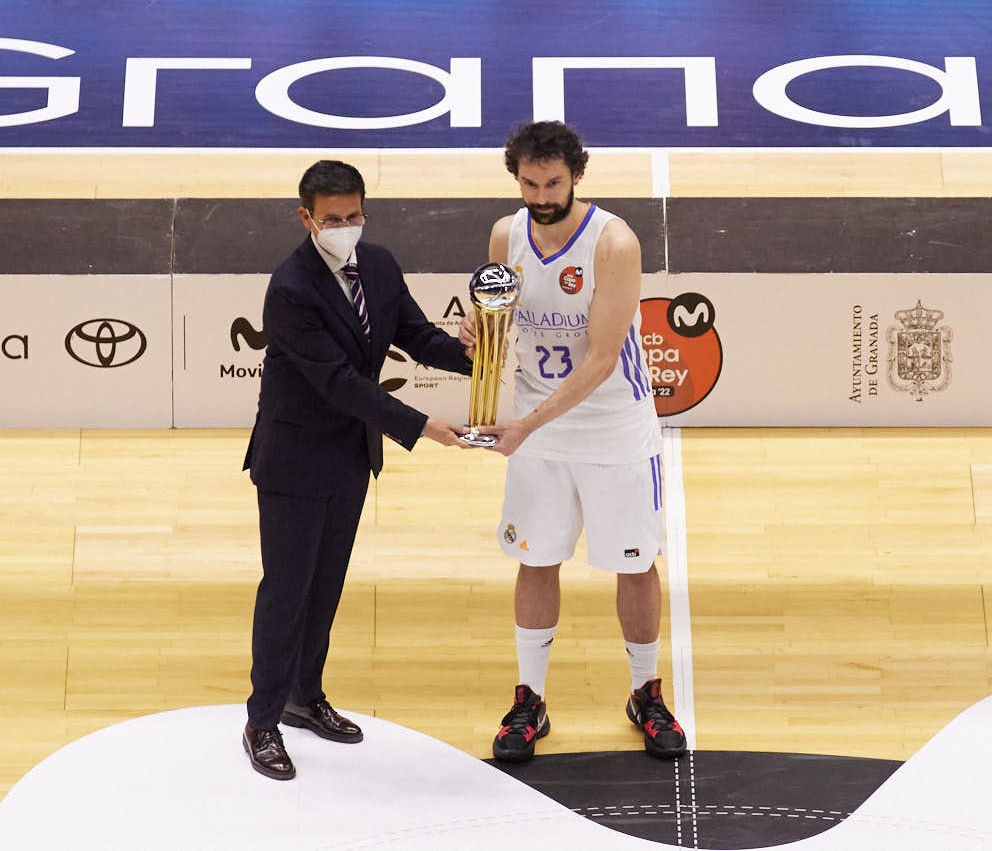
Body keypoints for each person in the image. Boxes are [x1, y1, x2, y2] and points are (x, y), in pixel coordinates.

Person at [241, 159, 475, 780]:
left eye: (354, 216)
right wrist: (423, 425)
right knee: (286, 592)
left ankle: (303, 696)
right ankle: (262, 722)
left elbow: (417, 336)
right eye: (332, 220)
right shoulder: (290, 287)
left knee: (326, 588)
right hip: (294, 460)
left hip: (348, 455)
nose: (345, 227)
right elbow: (338, 382)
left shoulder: (379, 263)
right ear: (307, 218)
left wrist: (480, 356)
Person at [466, 121, 687, 762]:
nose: (541, 196)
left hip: (615, 430)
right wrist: (479, 338)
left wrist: (525, 427)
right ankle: (529, 700)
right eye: (530, 183)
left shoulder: (613, 242)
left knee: (633, 564)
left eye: (553, 183)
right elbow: (500, 322)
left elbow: (599, 358)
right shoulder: (506, 235)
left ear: (576, 176)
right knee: (536, 559)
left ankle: (645, 691)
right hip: (535, 432)